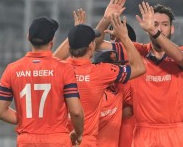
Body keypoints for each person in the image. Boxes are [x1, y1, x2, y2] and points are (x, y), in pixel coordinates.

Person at [95, 0, 183, 146]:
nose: (159, 28)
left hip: (174, 133)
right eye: (155, 24)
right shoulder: (136, 51)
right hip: (144, 132)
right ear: (146, 26)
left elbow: (181, 58)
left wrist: (154, 31)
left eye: (164, 25)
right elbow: (96, 45)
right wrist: (105, 19)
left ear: (172, 29)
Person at [54, 11, 145, 147]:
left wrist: (77, 32)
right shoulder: (101, 72)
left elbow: (52, 59)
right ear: (91, 47)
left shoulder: (59, 69)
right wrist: (125, 38)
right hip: (87, 140)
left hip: (62, 140)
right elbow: (139, 68)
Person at [0, 16, 84, 147]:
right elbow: (76, 111)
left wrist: (29, 118)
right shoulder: (65, 69)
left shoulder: (12, 69)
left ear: (28, 37)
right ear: (52, 41)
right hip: (57, 141)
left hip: (26, 141)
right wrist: (79, 133)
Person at [92, 50, 132, 147]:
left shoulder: (119, 87)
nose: (117, 71)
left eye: (117, 67)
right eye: (113, 68)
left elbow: (129, 110)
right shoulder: (90, 92)